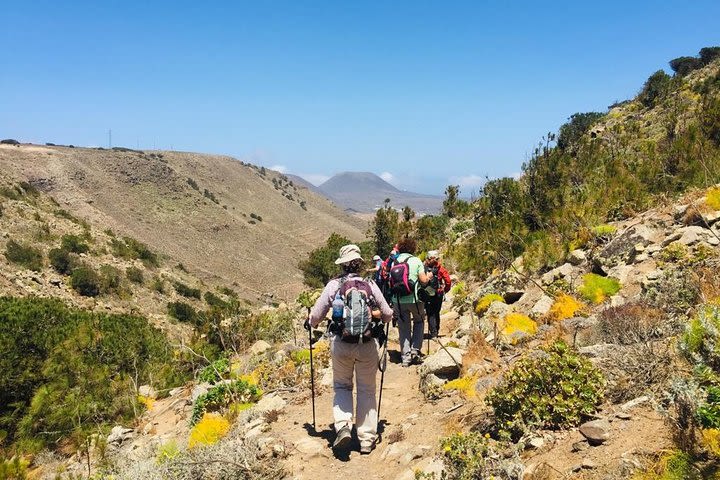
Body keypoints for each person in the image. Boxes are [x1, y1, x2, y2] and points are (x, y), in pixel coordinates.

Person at [307, 244, 393, 454]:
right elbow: (388, 314)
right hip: (367, 345)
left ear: (342, 264)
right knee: (366, 390)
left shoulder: (334, 286)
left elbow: (316, 317)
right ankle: (366, 439)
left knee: (342, 386)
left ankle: (344, 426)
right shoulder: (370, 285)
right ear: (360, 263)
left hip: (341, 344)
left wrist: (309, 322)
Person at [391, 238, 432, 367]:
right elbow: (423, 280)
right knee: (419, 322)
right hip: (415, 299)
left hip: (397, 300)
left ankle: (405, 357)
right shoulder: (416, 260)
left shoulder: (394, 262)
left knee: (403, 327)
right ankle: (415, 351)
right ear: (412, 248)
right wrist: (429, 276)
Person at [422, 250, 452, 338]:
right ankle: (436, 330)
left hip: (428, 293)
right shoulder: (440, 269)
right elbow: (448, 281)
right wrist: (446, 289)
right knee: (436, 312)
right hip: (438, 293)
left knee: (430, 313)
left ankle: (433, 332)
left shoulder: (424, 269)